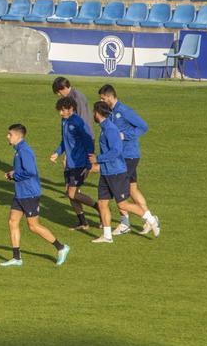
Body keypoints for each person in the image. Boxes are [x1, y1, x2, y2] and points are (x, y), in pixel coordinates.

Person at [88, 102, 159, 244]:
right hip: (106, 172)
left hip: (116, 172)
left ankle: (151, 220)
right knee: (102, 203)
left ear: (98, 113)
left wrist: (98, 159)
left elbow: (116, 151)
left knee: (122, 205)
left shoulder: (110, 129)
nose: (92, 114)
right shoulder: (104, 127)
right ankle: (107, 236)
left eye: (93, 112)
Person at [2, 124, 70, 267]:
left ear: (18, 136)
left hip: (29, 194)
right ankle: (16, 258)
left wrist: (14, 176)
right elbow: (23, 170)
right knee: (12, 221)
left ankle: (61, 247)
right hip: (20, 193)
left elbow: (31, 172)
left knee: (33, 226)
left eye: (10, 134)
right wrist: (13, 173)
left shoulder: (24, 151)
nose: (7, 137)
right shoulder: (19, 150)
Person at [49, 97, 99, 230]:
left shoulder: (78, 122)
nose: (60, 113)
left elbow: (89, 141)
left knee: (72, 193)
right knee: (70, 193)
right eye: (59, 111)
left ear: (70, 109)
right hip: (69, 163)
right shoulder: (64, 121)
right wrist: (57, 153)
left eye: (62, 110)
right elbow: (64, 140)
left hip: (80, 163)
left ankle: (99, 207)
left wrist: (89, 161)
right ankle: (83, 222)